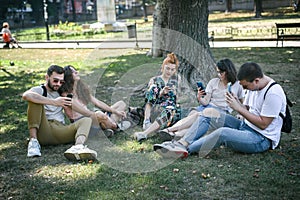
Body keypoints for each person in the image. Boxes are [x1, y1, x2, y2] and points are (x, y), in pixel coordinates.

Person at [154, 62, 286, 158]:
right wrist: (236, 102)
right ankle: (182, 143)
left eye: (246, 86)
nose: (244, 90)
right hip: (245, 125)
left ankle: (185, 149)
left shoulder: (273, 93)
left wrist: (238, 108)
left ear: (256, 80)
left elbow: (263, 124)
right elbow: (249, 108)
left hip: (260, 138)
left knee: (222, 133)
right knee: (208, 114)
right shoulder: (255, 87)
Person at [157, 58, 245, 141]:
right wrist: (200, 98)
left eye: (221, 72)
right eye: (218, 72)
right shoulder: (213, 82)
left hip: (221, 111)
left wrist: (240, 114)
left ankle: (171, 131)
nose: (219, 75)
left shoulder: (237, 85)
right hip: (208, 107)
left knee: (198, 118)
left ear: (228, 71)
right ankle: (174, 135)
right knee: (193, 114)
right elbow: (206, 101)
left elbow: (243, 104)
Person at [22, 65, 97, 161]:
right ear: (47, 77)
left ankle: (78, 147)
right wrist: (54, 102)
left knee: (86, 120)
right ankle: (33, 142)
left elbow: (77, 107)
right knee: (34, 101)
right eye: (55, 80)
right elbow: (26, 95)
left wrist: (93, 114)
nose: (58, 84)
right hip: (44, 129)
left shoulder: (62, 92)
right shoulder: (40, 90)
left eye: (61, 82)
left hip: (60, 130)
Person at [59, 65, 128, 137]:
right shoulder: (66, 95)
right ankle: (116, 127)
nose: (76, 72)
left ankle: (105, 127)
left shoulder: (80, 90)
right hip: (82, 122)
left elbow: (98, 102)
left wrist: (115, 111)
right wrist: (100, 115)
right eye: (73, 72)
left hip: (93, 119)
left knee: (121, 104)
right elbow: (84, 112)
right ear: (68, 76)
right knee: (99, 114)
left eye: (75, 70)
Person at [133, 53, 181, 142]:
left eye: (172, 69)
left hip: (170, 110)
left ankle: (145, 133)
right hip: (156, 108)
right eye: (167, 68)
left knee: (169, 109)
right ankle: (146, 121)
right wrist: (161, 93)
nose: (169, 71)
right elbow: (151, 99)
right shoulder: (154, 80)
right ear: (163, 67)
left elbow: (177, 99)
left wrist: (174, 93)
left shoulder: (176, 79)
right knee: (153, 88)